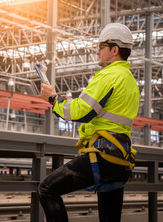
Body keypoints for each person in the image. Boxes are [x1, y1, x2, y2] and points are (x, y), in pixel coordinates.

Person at [38, 23, 140, 222]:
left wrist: (53, 99)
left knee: (47, 189)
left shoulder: (109, 75)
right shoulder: (129, 80)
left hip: (103, 155)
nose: (97, 52)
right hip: (120, 160)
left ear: (114, 50)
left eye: (101, 47)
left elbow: (81, 112)